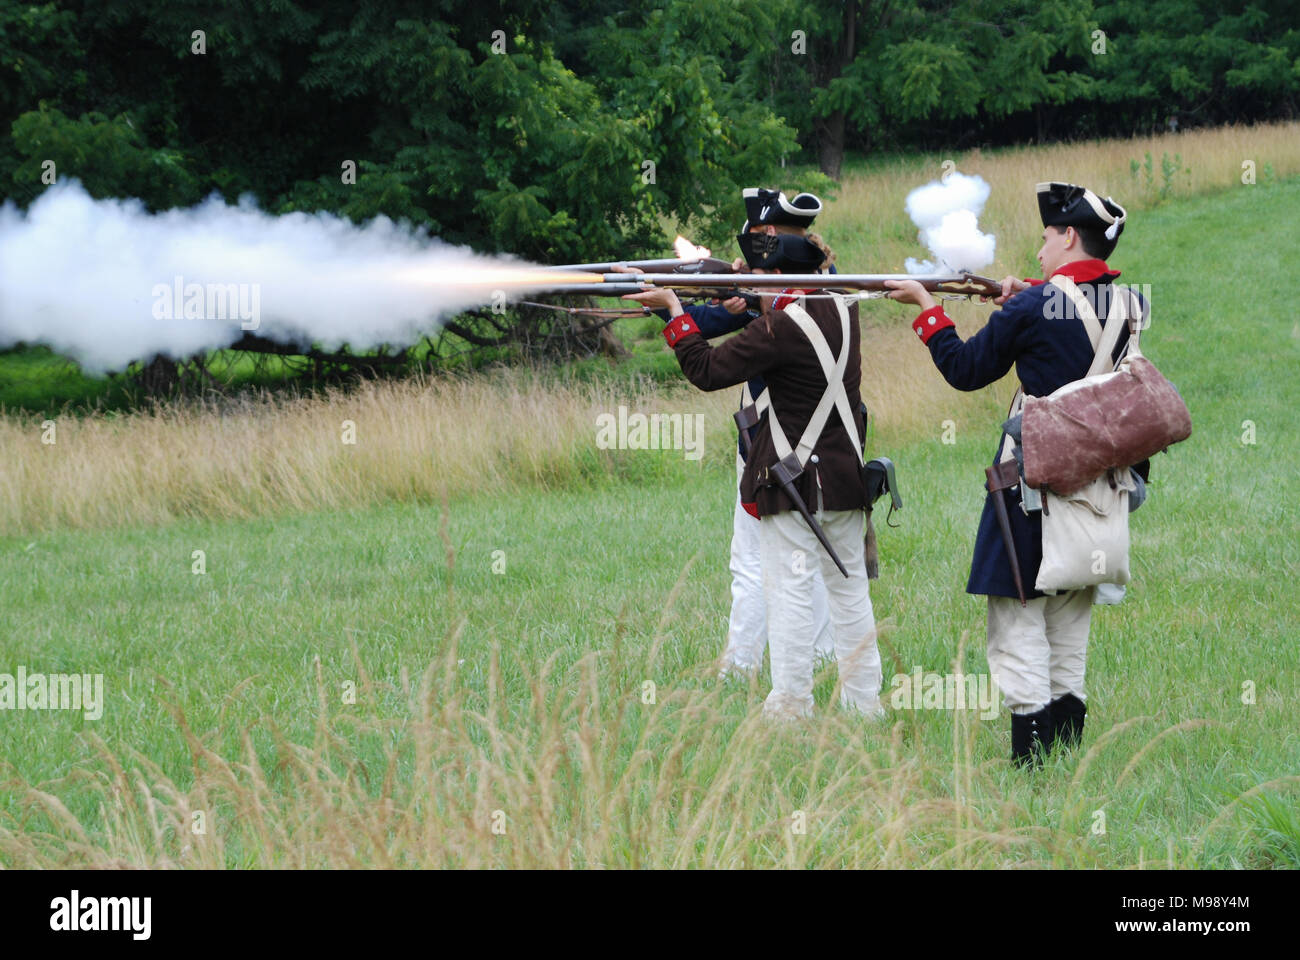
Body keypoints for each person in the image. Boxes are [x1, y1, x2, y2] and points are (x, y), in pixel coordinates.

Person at [886, 180, 1145, 766]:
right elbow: (1077, 312)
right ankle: (1064, 759)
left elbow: (965, 369)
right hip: (1099, 487)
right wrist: (1027, 296)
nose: (1039, 250)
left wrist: (929, 312)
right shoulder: (1131, 305)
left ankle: (1029, 764)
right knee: (1069, 624)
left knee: (1016, 621)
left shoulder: (1033, 307)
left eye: (1048, 237)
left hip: (1031, 484)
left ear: (1069, 235)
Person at [626, 228, 882, 720]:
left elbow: (705, 369)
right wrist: (739, 299)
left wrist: (675, 311)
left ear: (777, 277)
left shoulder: (781, 327)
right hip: (847, 481)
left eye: (760, 277)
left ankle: (791, 706)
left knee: (787, 596)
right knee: (851, 596)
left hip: (793, 485)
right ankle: (865, 705)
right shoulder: (846, 308)